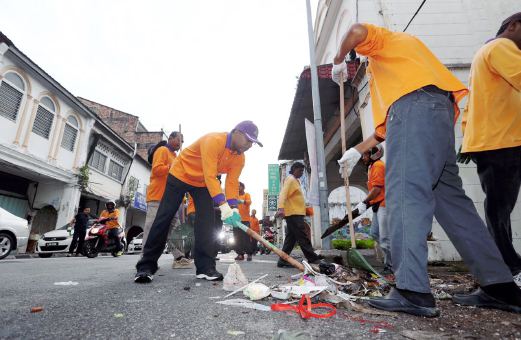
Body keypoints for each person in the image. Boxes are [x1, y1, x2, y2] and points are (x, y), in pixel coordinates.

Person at [332, 22, 521, 317]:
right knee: (453, 204)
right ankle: (500, 285)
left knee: (406, 195)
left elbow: (355, 31)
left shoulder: (384, 41)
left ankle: (412, 290)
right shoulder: (407, 59)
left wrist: (339, 59)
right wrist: (356, 150)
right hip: (439, 112)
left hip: (415, 109)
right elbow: (384, 129)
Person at [134, 121, 262, 283]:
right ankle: (146, 266)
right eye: (247, 140)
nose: (249, 145)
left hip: (201, 184)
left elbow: (232, 183)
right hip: (180, 174)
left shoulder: (240, 158)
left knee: (207, 223)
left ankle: (205, 268)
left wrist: (234, 208)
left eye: (252, 142)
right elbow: (210, 176)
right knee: (164, 217)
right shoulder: (214, 140)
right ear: (236, 132)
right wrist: (223, 206)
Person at [458, 13, 521, 287]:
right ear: (513, 26)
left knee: (499, 208)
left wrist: (468, 137)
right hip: (501, 142)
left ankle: (505, 268)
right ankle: (505, 271)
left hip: (496, 141)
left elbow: (472, 105)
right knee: (498, 210)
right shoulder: (501, 47)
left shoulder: (487, 53)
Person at [144, 131, 192, 269]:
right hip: (157, 196)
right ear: (170, 138)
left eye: (182, 141)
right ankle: (145, 259)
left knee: (174, 229)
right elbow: (157, 169)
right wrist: (173, 167)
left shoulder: (176, 156)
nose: (181, 143)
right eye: (179, 139)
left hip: (172, 199)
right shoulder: (162, 150)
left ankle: (179, 258)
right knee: (151, 228)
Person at [276, 162, 323, 267]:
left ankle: (282, 260)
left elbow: (295, 199)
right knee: (302, 236)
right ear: (294, 169)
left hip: (296, 213)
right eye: (300, 170)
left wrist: (304, 209)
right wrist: (281, 208)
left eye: (303, 171)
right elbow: (283, 193)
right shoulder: (291, 179)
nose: (301, 173)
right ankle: (312, 258)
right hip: (293, 214)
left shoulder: (295, 181)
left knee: (290, 240)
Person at [357, 145, 391, 273]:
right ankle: (390, 260)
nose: (363, 157)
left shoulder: (378, 166)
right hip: (378, 205)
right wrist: (368, 202)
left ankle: (391, 265)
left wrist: (364, 201)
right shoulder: (372, 167)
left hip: (384, 205)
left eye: (365, 154)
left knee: (385, 238)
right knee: (375, 234)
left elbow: (377, 189)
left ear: (373, 154)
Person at [234, 182, 252, 261]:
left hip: (245, 220)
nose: (238, 188)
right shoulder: (235, 196)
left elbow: (249, 202)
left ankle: (249, 254)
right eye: (237, 187)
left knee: (246, 238)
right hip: (236, 220)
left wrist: (241, 201)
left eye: (239, 186)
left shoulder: (246, 195)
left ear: (243, 187)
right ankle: (240, 254)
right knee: (237, 238)